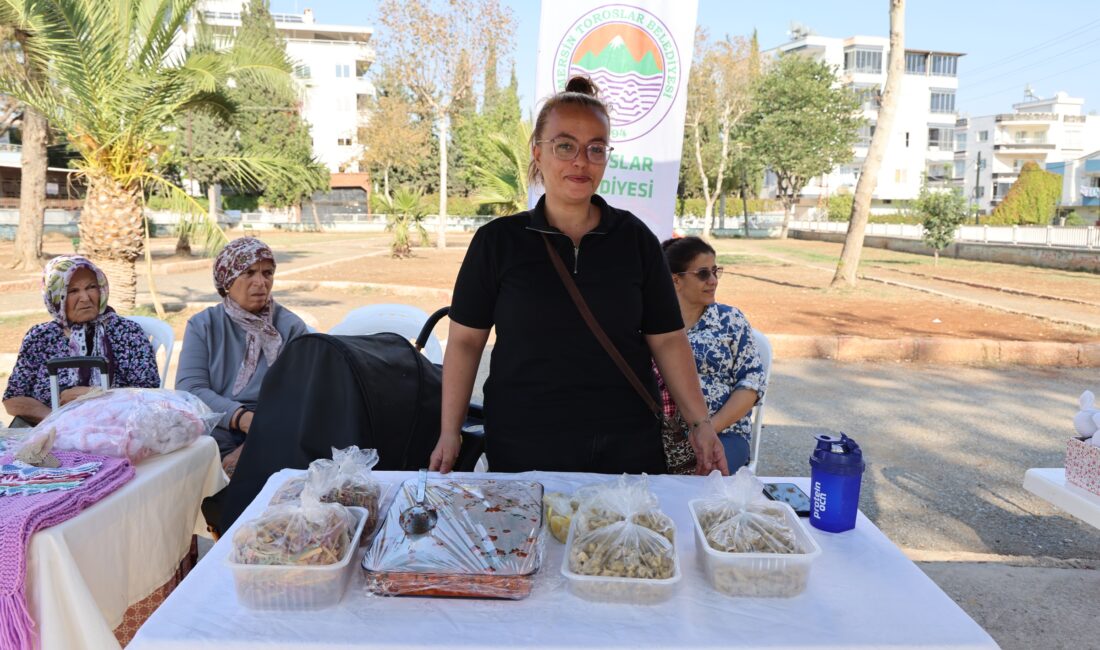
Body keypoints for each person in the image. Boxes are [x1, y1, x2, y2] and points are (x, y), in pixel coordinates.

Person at [429, 76, 728, 476]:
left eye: (596, 149)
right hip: (524, 442)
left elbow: (669, 340)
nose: (580, 161)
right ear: (538, 152)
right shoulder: (497, 242)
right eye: (565, 145)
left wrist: (701, 424)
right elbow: (465, 342)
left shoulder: (635, 239)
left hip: (626, 443)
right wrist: (451, 431)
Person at [176, 237, 309, 461]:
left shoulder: (291, 327)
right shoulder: (203, 325)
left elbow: (300, 395)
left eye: (267, 273)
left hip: (275, 426)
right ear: (227, 280)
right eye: (248, 273)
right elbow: (190, 389)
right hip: (216, 424)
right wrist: (241, 418)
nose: (261, 282)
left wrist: (253, 444)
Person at [3, 255, 160, 425]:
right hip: (52, 432)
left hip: (114, 429)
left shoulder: (128, 332)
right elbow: (13, 399)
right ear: (56, 297)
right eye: (73, 291)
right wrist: (59, 420)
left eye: (91, 287)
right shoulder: (40, 337)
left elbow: (150, 395)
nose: (85, 297)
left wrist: (97, 396)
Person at [658, 236, 767, 471]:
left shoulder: (730, 320)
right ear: (675, 280)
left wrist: (707, 429)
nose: (714, 281)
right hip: (658, 436)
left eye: (716, 271)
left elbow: (751, 385)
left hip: (724, 434)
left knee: (707, 472)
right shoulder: (652, 325)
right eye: (703, 274)